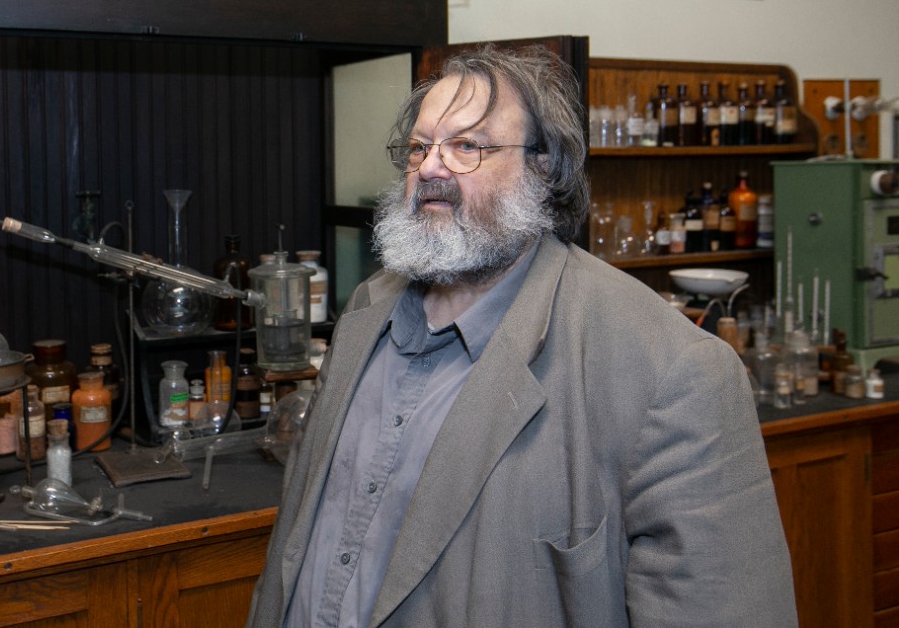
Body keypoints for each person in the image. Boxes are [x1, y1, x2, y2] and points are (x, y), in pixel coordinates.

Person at [247, 45, 797, 627]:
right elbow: (296, 550)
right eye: (418, 147)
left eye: (467, 147)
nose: (431, 168)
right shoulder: (366, 310)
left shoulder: (671, 371)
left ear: (543, 168)